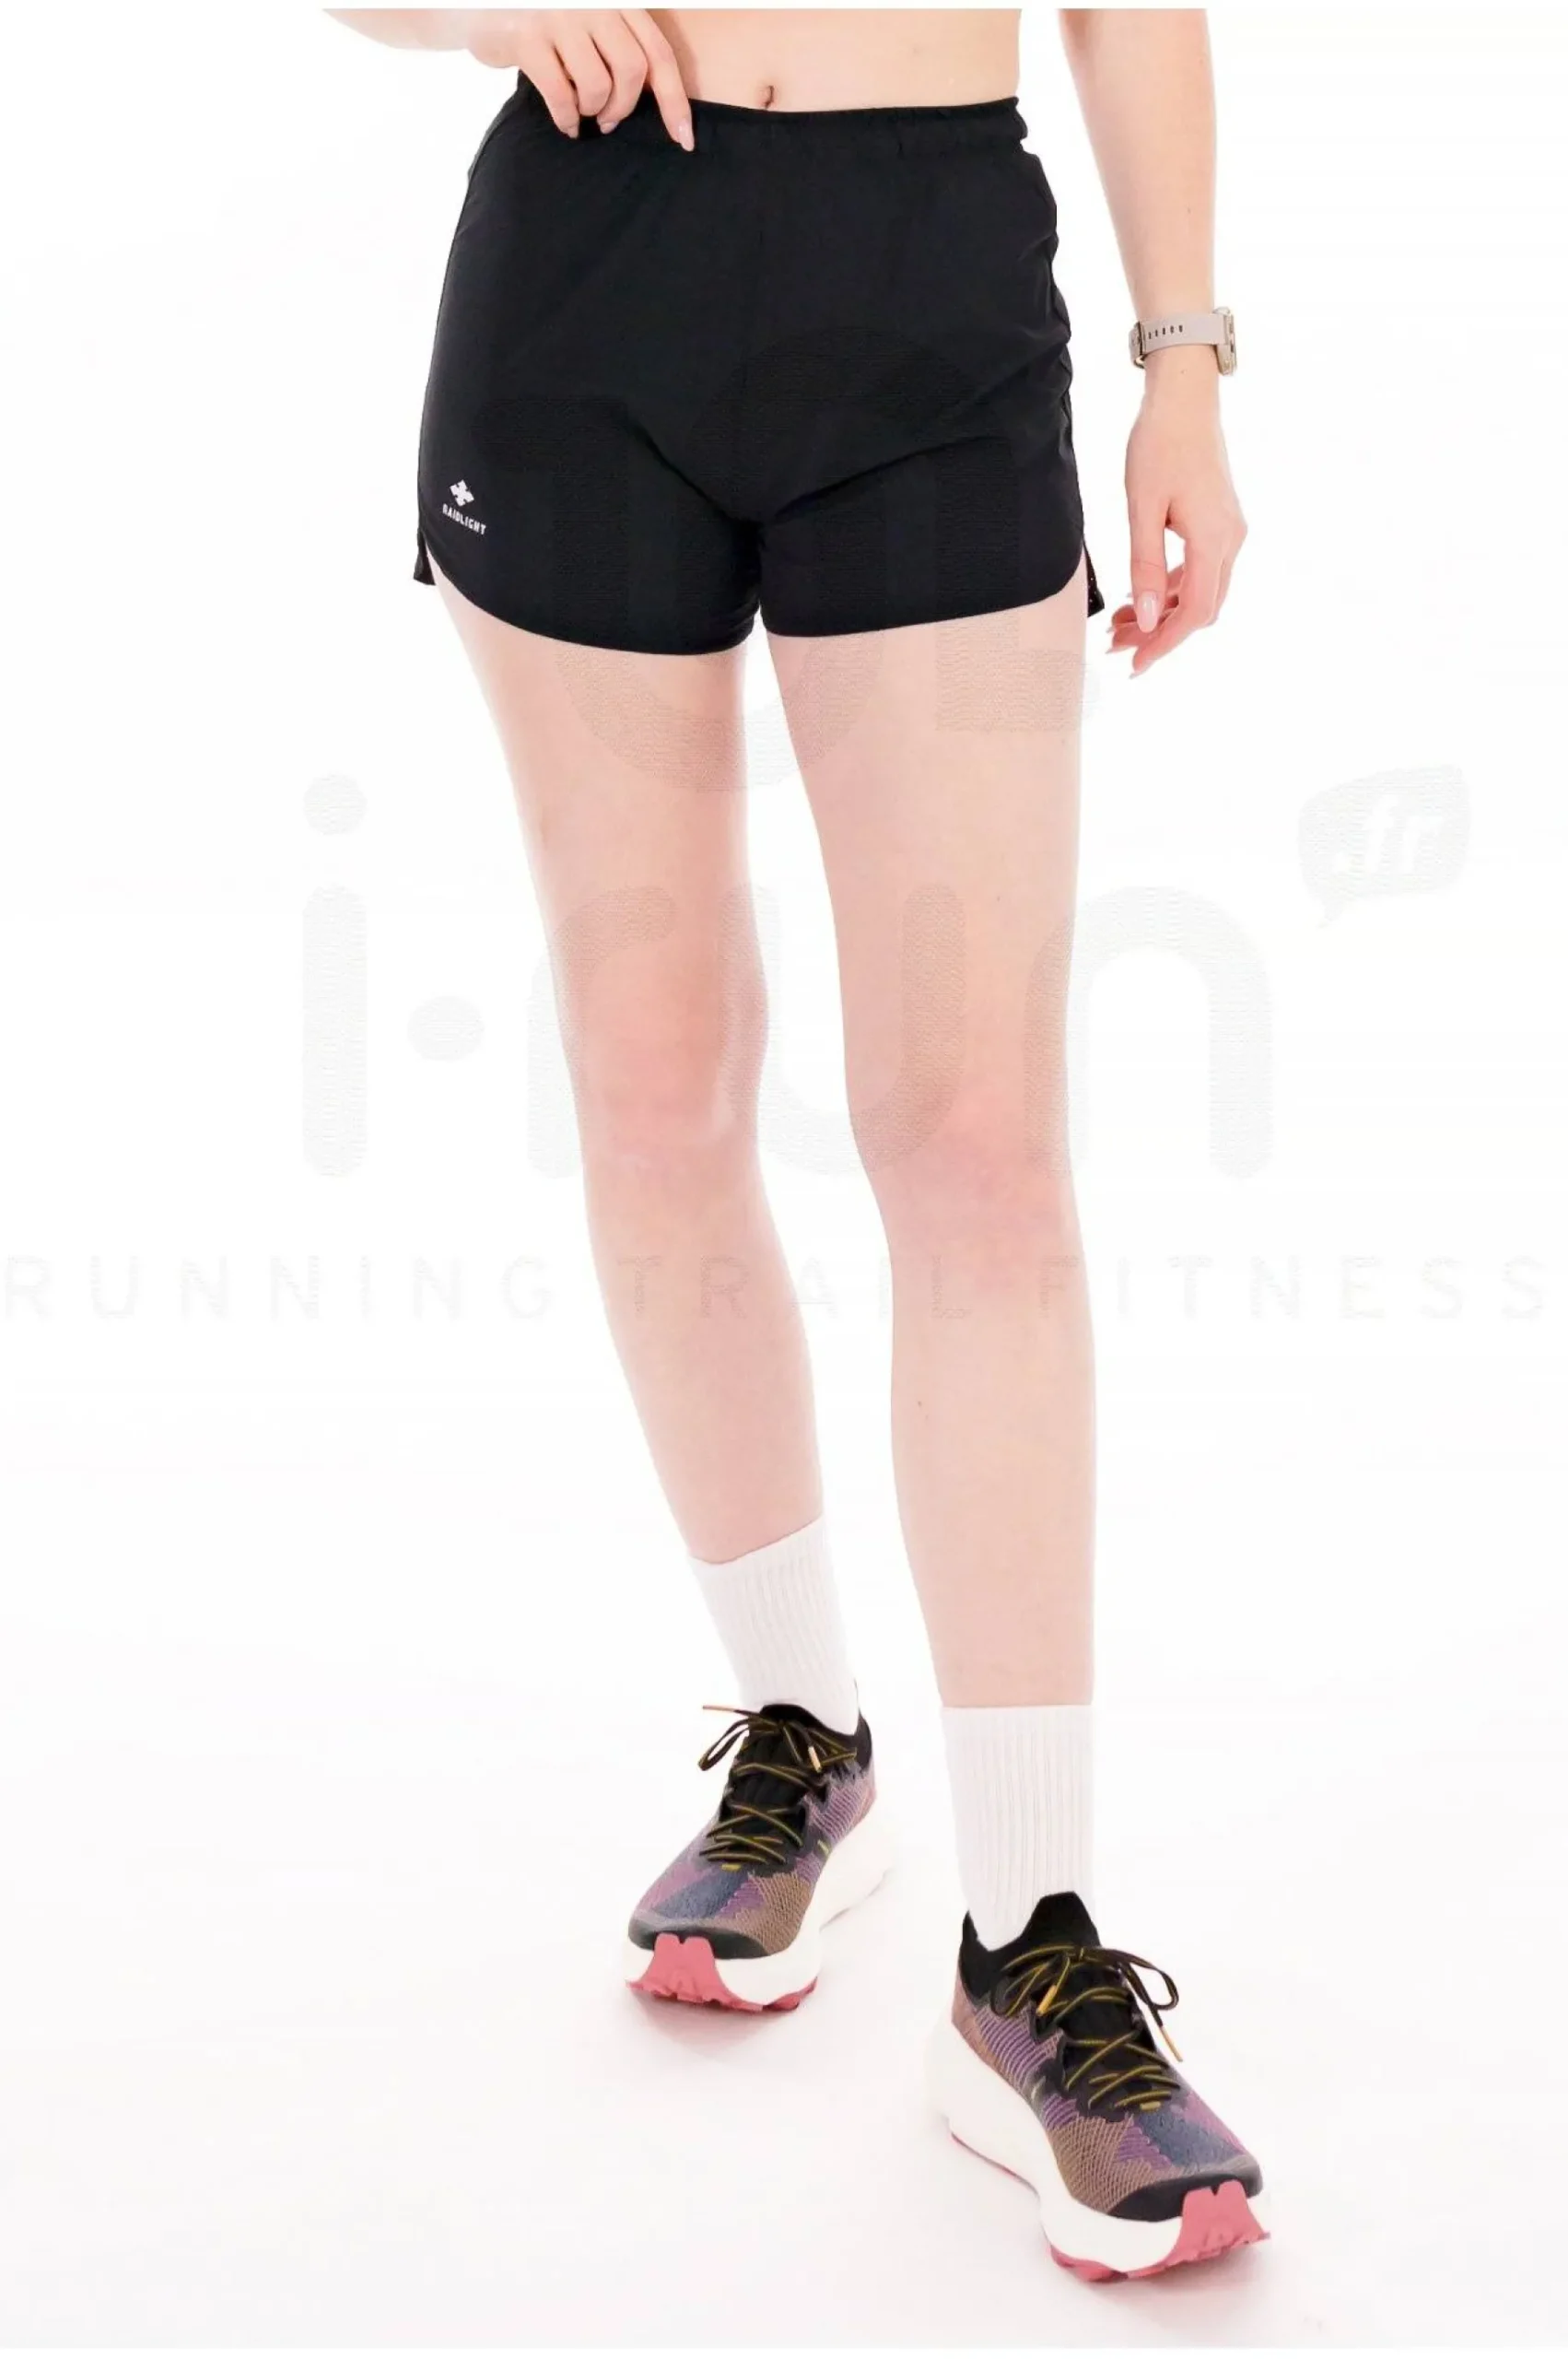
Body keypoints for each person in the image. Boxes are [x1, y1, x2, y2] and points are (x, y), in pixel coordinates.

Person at [331, 7, 1259, 2281]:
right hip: (584, 277)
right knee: (654, 1079)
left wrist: (1182, 359)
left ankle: (1027, 1947)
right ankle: (800, 1732)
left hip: (923, 275)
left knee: (972, 1135)